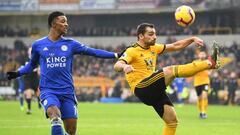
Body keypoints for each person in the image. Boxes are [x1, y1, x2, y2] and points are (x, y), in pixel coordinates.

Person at [6, 11, 122, 135]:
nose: (66, 24)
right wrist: (17, 73)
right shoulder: (38, 45)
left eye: (66, 22)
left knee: (71, 131)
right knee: (55, 117)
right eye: (63, 21)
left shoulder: (71, 44)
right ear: (53, 24)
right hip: (48, 90)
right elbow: (31, 65)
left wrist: (115, 55)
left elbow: (92, 51)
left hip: (67, 92)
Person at [114, 23, 220, 135]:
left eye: (155, 34)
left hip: (153, 89)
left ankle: (210, 63)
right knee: (170, 70)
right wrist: (125, 66)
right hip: (141, 87)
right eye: (150, 34)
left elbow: (175, 46)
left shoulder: (153, 48)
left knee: (172, 121)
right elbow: (117, 65)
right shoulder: (132, 50)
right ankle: (210, 63)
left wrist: (192, 39)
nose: (154, 37)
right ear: (141, 36)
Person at [193, 51, 210, 119]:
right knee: (199, 98)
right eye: (201, 54)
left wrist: (210, 71)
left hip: (205, 81)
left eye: (204, 54)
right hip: (197, 82)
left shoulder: (208, 62)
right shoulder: (195, 62)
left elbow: (211, 70)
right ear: (199, 55)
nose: (202, 55)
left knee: (204, 96)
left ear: (205, 55)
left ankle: (204, 112)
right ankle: (200, 112)